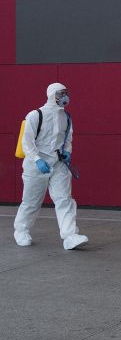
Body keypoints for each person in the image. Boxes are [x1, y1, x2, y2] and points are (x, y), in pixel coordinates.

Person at [13, 83, 89, 250]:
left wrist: (67, 152)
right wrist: (37, 159)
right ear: (52, 95)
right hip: (36, 165)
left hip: (59, 164)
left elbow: (67, 139)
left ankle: (70, 236)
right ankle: (21, 230)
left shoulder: (66, 117)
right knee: (31, 201)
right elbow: (27, 141)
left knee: (64, 200)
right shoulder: (35, 115)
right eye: (61, 93)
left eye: (66, 93)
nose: (65, 97)